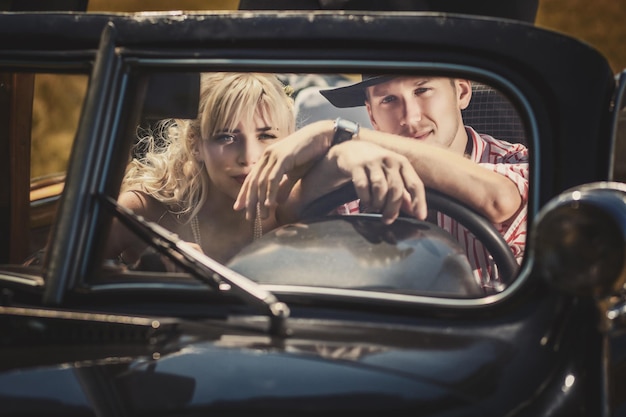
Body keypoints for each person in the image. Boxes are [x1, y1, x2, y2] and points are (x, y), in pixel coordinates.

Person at [235, 75, 529, 293]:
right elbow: (283, 219)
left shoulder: (519, 160)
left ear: (462, 91)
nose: (410, 119)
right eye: (388, 99)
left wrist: (338, 133)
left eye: (423, 89)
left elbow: (499, 201)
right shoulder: (352, 170)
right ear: (372, 114)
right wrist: (342, 154)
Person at [106, 72, 298, 266]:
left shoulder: (290, 205)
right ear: (195, 144)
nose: (248, 158)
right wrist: (150, 275)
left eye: (266, 136)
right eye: (226, 137)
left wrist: (324, 132)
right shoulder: (145, 209)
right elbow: (77, 272)